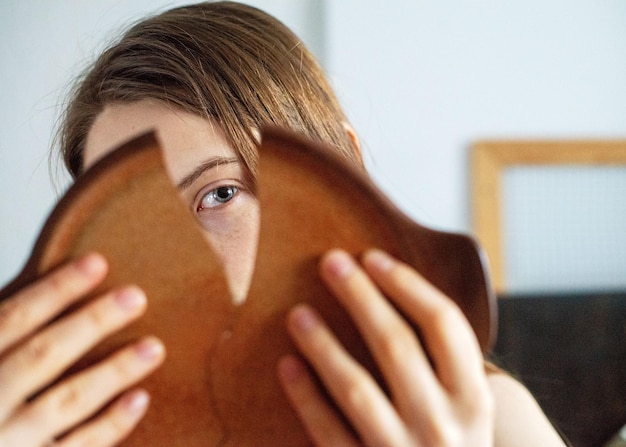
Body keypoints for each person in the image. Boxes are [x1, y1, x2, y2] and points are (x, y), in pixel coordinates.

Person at [0, 2, 567, 446]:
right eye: (134, 227)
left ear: (343, 171)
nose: (181, 264)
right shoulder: (72, 433)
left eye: (220, 193)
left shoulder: (483, 424)